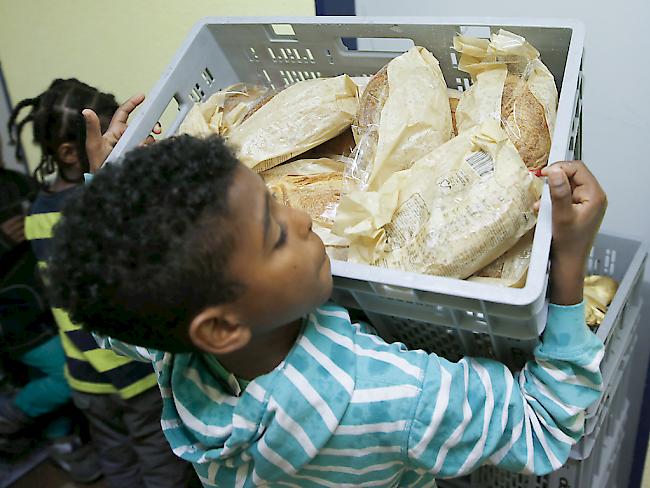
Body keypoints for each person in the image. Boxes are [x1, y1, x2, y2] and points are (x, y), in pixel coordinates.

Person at [47, 129, 607, 486]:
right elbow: (544, 425)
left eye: (277, 206)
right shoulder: (395, 395)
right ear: (220, 326)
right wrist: (567, 269)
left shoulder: (181, 360)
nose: (304, 220)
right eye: (274, 237)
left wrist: (112, 188)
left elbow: (116, 322)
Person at [8, 79, 194, 488]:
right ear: (72, 153)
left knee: (117, 459)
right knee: (160, 458)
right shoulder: (93, 209)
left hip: (82, 376)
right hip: (126, 370)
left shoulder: (38, 212)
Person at [0, 146, 101, 482]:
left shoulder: (15, 181)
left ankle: (62, 442)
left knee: (64, 366)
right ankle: (7, 416)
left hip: (45, 301)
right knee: (65, 374)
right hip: (12, 318)